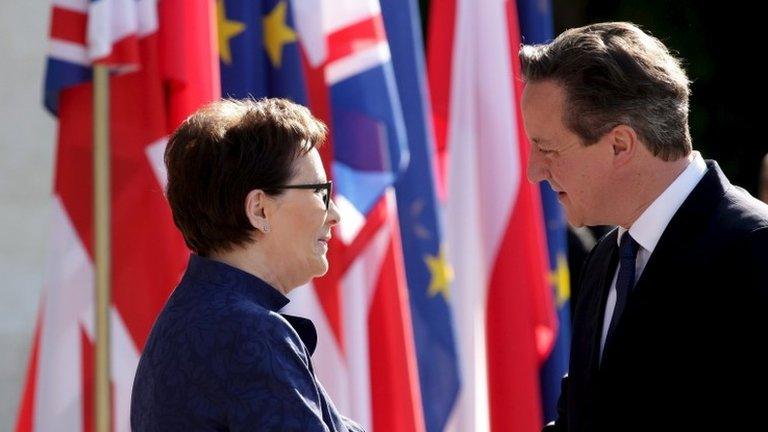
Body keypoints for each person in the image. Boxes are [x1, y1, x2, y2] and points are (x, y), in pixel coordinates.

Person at [520, 22, 768, 431]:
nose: (533, 172)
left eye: (547, 149)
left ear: (620, 144)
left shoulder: (753, 250)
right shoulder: (608, 258)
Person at [130, 98, 363, 432]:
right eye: (319, 192)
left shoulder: (198, 317)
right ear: (259, 210)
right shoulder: (247, 332)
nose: (335, 214)